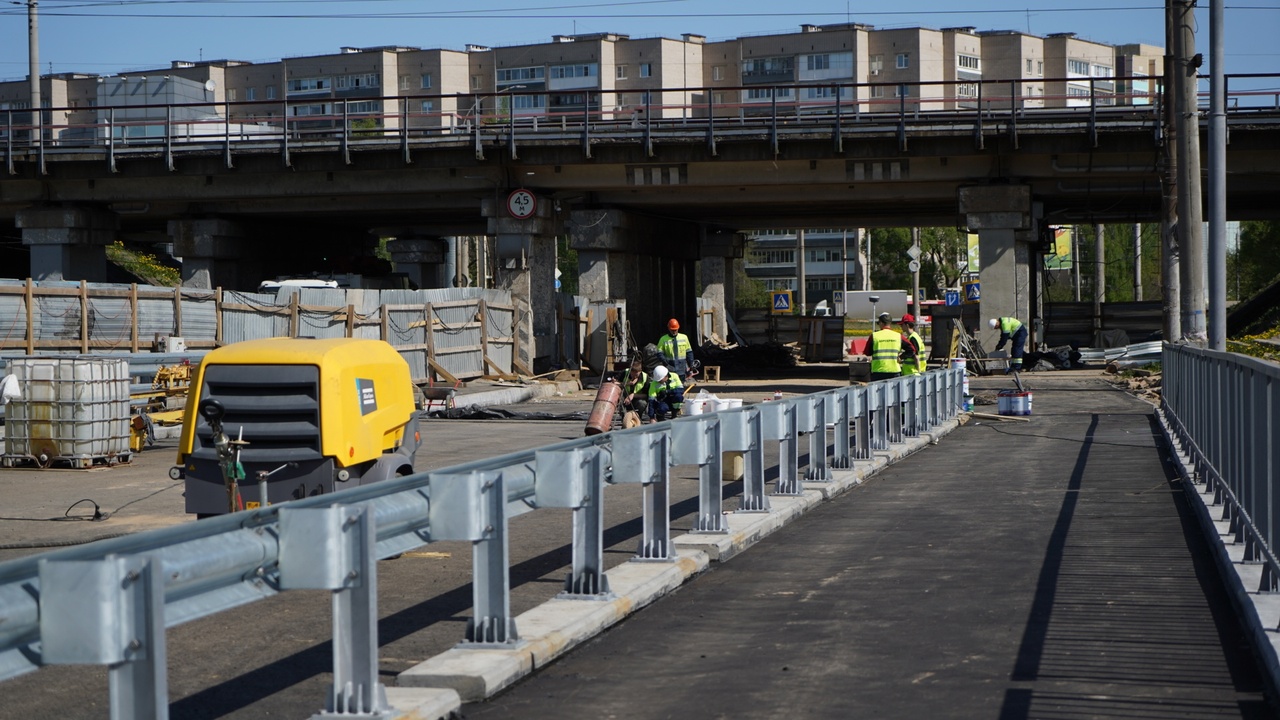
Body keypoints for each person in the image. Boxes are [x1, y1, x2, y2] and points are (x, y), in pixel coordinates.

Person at [866, 312, 903, 381]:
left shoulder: (874, 336)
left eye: (878, 323)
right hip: (894, 370)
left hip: (878, 370)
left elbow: (867, 352)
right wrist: (902, 357)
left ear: (881, 323)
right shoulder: (898, 336)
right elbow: (911, 349)